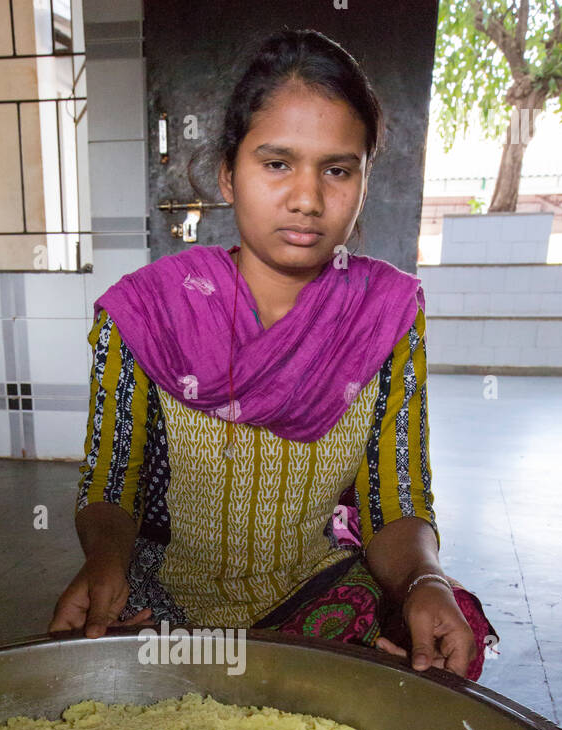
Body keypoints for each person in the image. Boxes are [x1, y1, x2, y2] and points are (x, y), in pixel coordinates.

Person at [49, 27, 498, 679]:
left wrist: (423, 580)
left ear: (364, 180)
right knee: (100, 675)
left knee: (435, 644)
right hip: (168, 597)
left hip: (312, 596)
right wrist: (105, 562)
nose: (308, 199)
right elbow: (111, 479)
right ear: (229, 175)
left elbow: (396, 501)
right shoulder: (152, 311)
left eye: (338, 169)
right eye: (277, 163)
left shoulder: (387, 314)